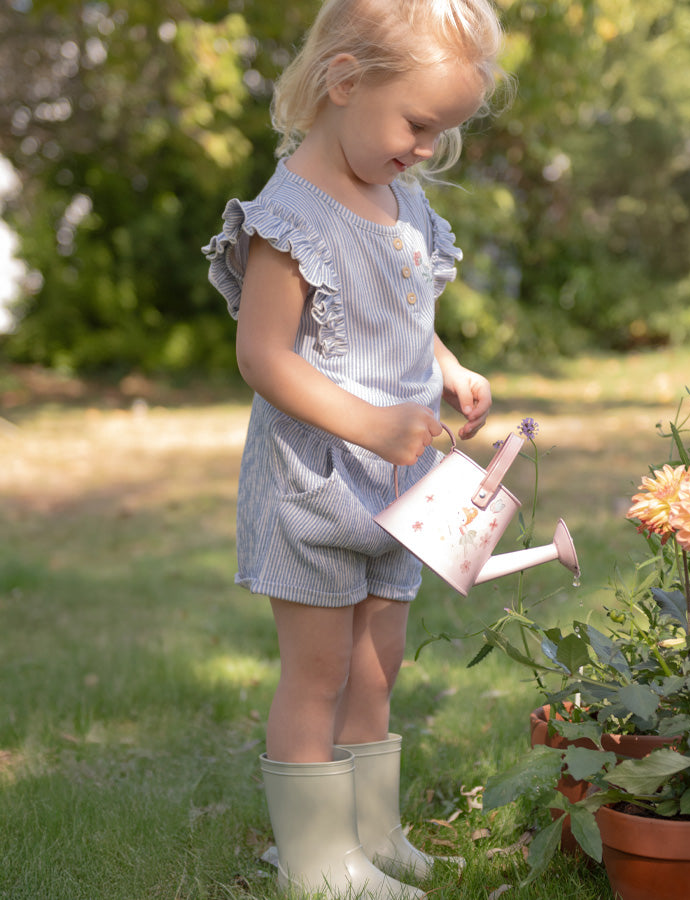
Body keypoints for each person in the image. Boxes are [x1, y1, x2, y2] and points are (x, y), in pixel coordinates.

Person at [202, 0, 509, 895]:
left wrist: (448, 368)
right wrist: (370, 422)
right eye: (418, 125)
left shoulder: (401, 202)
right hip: (318, 486)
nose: (424, 150)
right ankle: (312, 857)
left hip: (401, 489)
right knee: (319, 670)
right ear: (344, 81)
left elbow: (402, 315)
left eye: (441, 133)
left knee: (379, 662)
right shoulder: (289, 216)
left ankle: (373, 831)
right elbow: (262, 356)